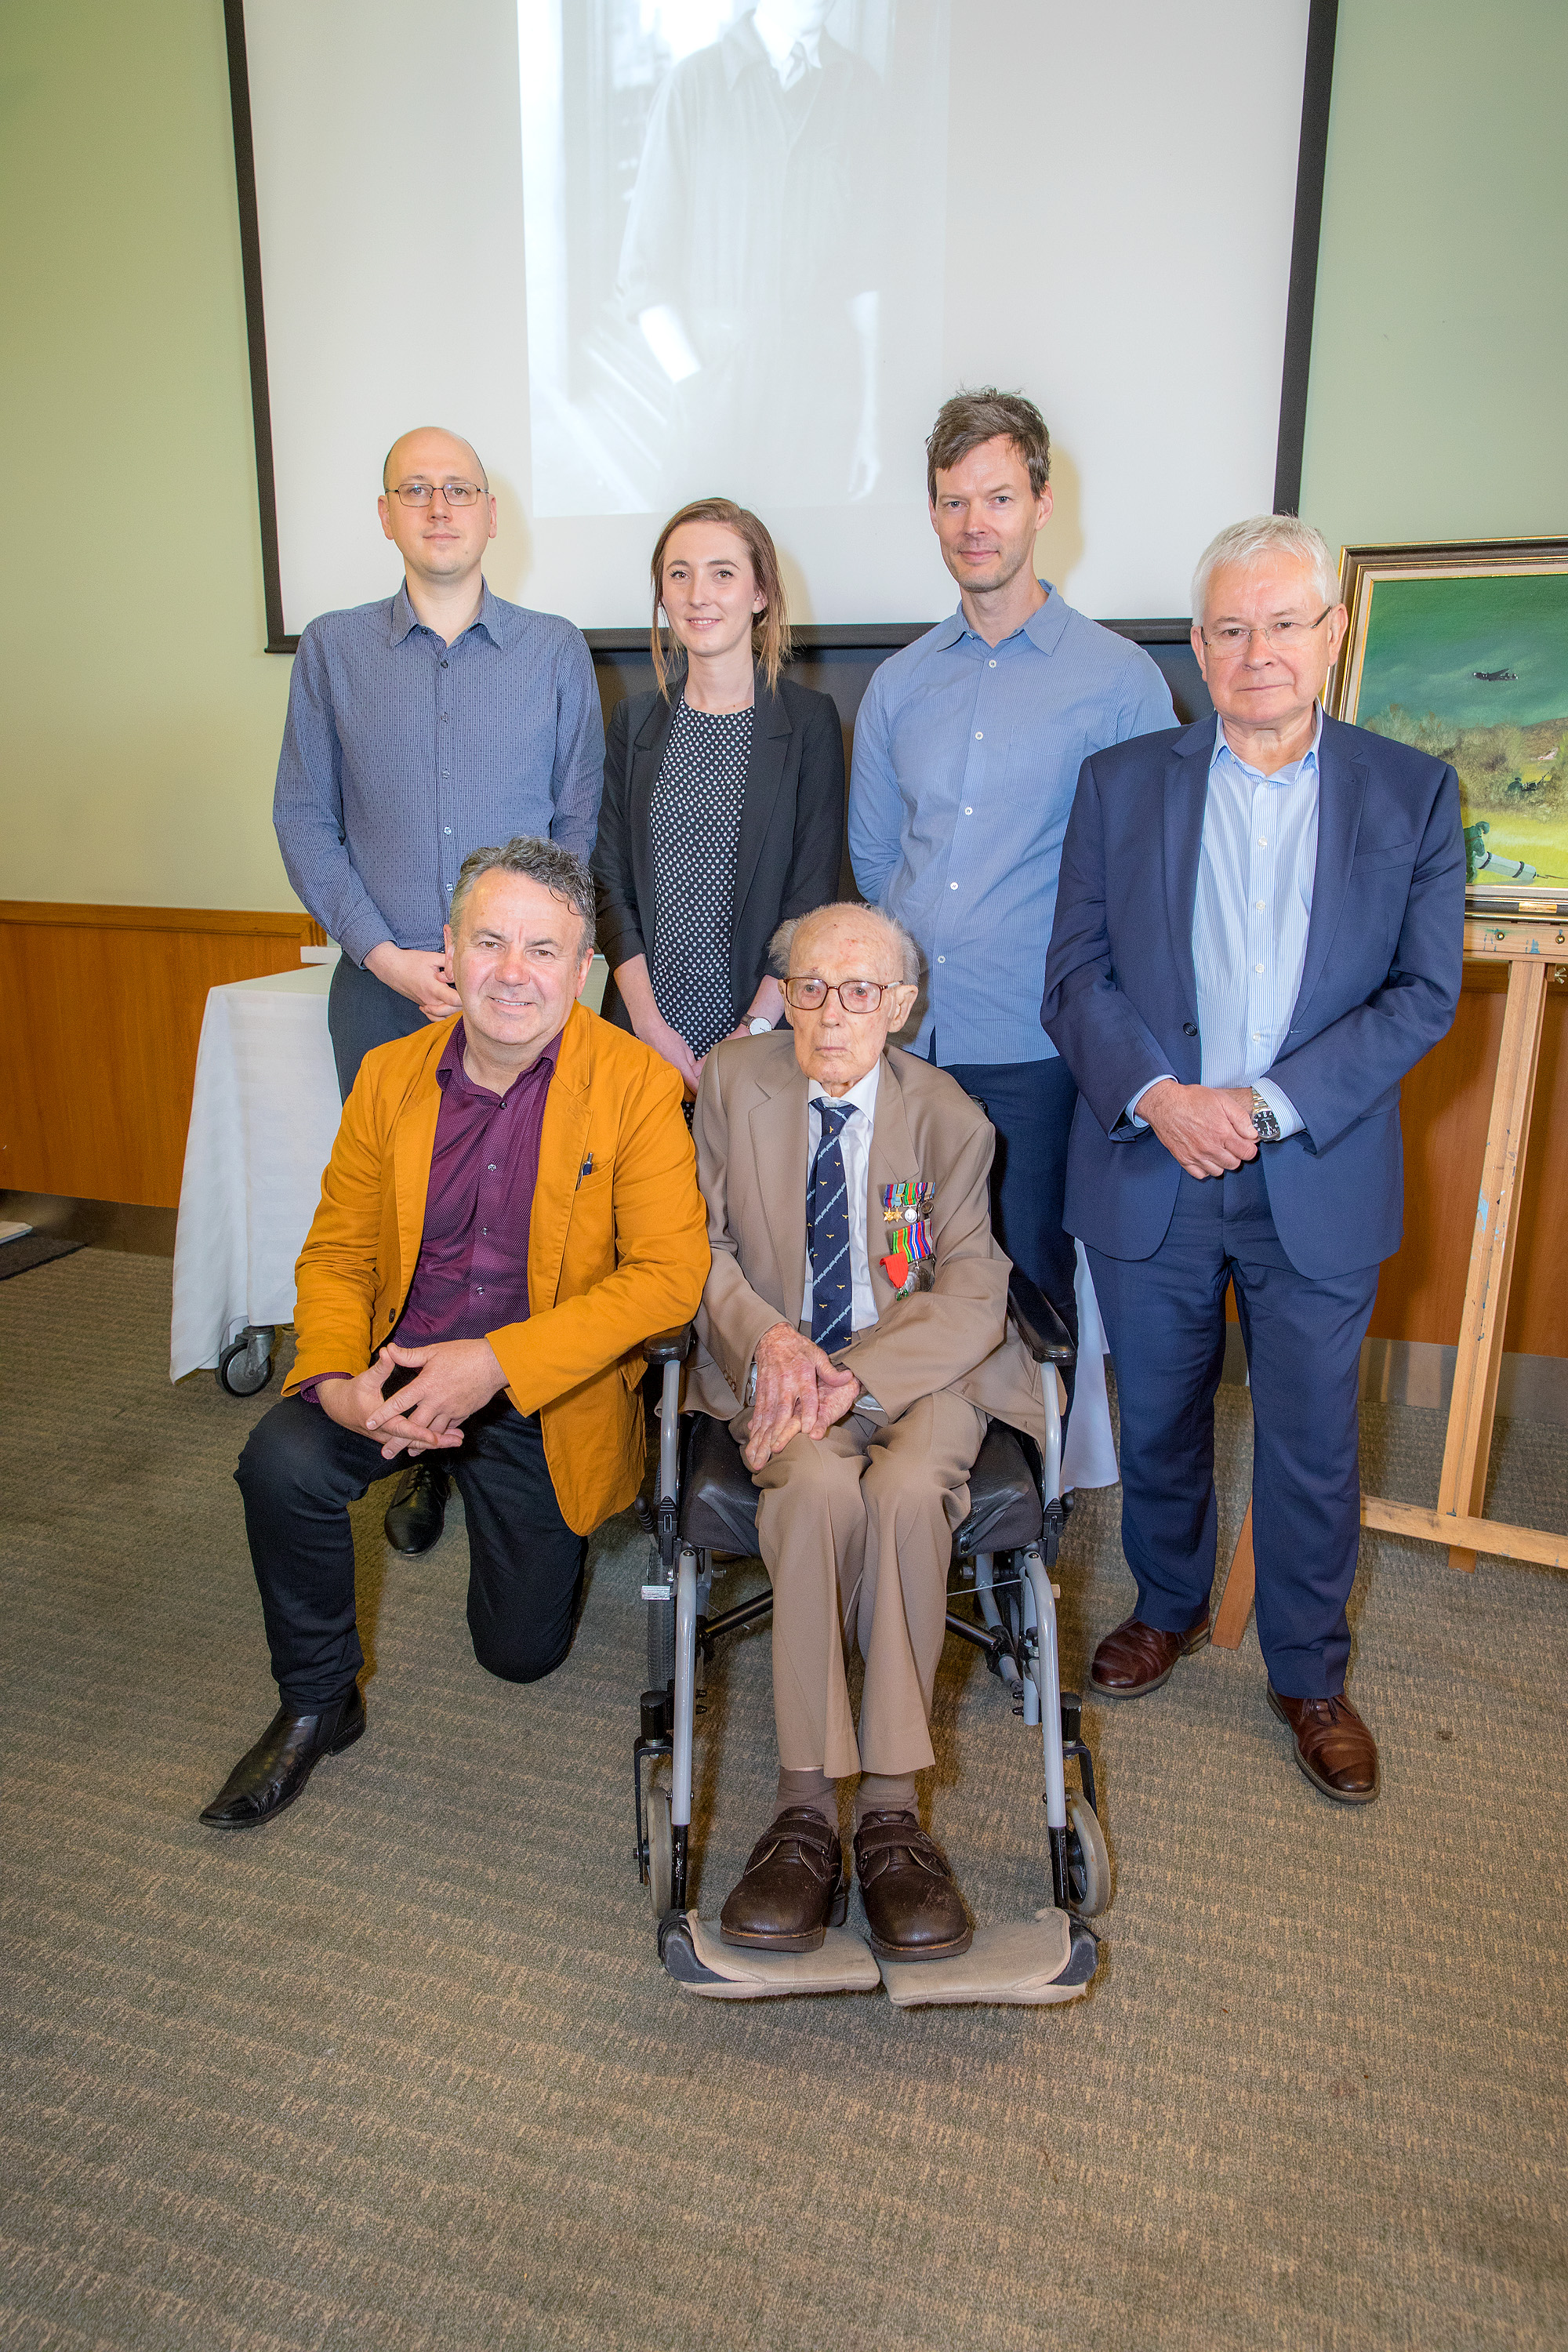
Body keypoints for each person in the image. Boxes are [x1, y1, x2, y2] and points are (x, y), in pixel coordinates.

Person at [1042, 515, 1465, 1804]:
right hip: (1150, 1165)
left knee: (1311, 1439)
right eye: (1231, 627)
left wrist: (1266, 1105)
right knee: (1158, 1413)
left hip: (1313, 1174)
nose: (1258, 650)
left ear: (1333, 636)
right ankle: (1166, 1604)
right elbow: (1075, 978)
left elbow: (1421, 994)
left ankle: (1309, 1670)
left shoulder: (1412, 791)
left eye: (1286, 623)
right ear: (1198, 645)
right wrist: (1167, 1097)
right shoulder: (1122, 785)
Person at [200, 839, 709, 1831]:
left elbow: (669, 1279)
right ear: (449, 949)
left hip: (538, 1391)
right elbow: (339, 1253)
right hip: (400, 1360)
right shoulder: (389, 1078)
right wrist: (337, 1377)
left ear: (582, 968)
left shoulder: (636, 1086)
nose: (512, 973)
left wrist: (494, 1365)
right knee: (282, 1461)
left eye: (543, 950)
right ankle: (316, 1702)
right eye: (488, 941)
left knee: (519, 1657)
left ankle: (480, 1493)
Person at [685, 902, 1056, 1961]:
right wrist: (774, 1347)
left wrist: (852, 1375)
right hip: (781, 1372)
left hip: (919, 1372)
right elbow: (698, 1247)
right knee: (814, 1491)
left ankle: (892, 1816)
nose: (830, 1013)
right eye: (808, 986)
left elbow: (977, 1282)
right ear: (784, 995)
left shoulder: (949, 1117)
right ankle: (805, 1811)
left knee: (901, 1494)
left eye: (858, 992)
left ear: (901, 1006)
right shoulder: (732, 1086)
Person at [274, 423, 605, 1560]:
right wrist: (382, 952)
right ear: (386, 515)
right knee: (403, 1228)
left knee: (522, 1218)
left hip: (520, 992)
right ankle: (412, 1445)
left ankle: (500, 1432)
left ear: (491, 514)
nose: (439, 506)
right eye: (415, 490)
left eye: (459, 489)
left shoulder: (554, 649)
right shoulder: (331, 649)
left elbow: (577, 825)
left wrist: (501, 964)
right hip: (387, 990)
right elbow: (304, 821)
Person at [849, 390, 1176, 1399]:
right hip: (906, 1053)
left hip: (1035, 1056)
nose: (973, 524)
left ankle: (1028, 1503)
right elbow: (874, 859)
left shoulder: (1119, 682)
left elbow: (1141, 879)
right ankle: (921, 1467)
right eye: (951, 503)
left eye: (995, 497)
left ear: (1040, 503)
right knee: (901, 1266)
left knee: (1027, 1276)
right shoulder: (900, 684)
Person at [592, 498, 844, 1098]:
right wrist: (649, 1027)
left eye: (722, 573)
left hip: (766, 1042)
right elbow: (609, 884)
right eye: (679, 574)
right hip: (641, 1041)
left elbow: (808, 902)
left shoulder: (808, 722)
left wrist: (753, 1030)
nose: (698, 594)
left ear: (760, 595)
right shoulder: (634, 721)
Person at [617, 4, 884, 506]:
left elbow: (866, 279)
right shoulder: (693, 87)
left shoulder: (860, 90)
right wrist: (700, 397)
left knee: (809, 573)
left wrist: (870, 422)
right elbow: (645, 275)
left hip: (823, 412)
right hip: (717, 406)